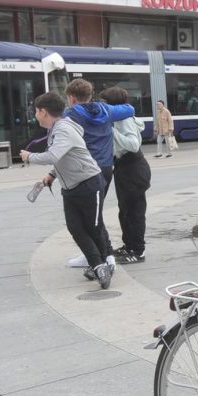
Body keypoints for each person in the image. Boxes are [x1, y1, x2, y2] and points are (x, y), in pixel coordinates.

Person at [20, 93, 113, 289]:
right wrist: (52, 175)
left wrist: (29, 156)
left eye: (36, 112)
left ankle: (104, 265)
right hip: (70, 187)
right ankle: (98, 265)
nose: (35, 115)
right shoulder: (58, 128)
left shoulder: (63, 128)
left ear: (43, 111)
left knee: (94, 228)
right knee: (76, 228)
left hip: (89, 184)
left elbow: (53, 155)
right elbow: (65, 156)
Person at [64, 78, 134, 267]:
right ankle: (99, 254)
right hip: (105, 168)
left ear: (71, 98)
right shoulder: (105, 110)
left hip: (85, 170)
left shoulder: (70, 115)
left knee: (90, 217)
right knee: (94, 214)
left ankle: (101, 256)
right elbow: (130, 109)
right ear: (90, 95)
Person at [99, 87, 150, 264]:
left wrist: (112, 131)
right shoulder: (117, 118)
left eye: (105, 102)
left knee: (135, 212)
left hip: (133, 167)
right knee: (125, 211)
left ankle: (138, 251)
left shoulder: (124, 119)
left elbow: (133, 144)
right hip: (123, 167)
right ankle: (128, 246)